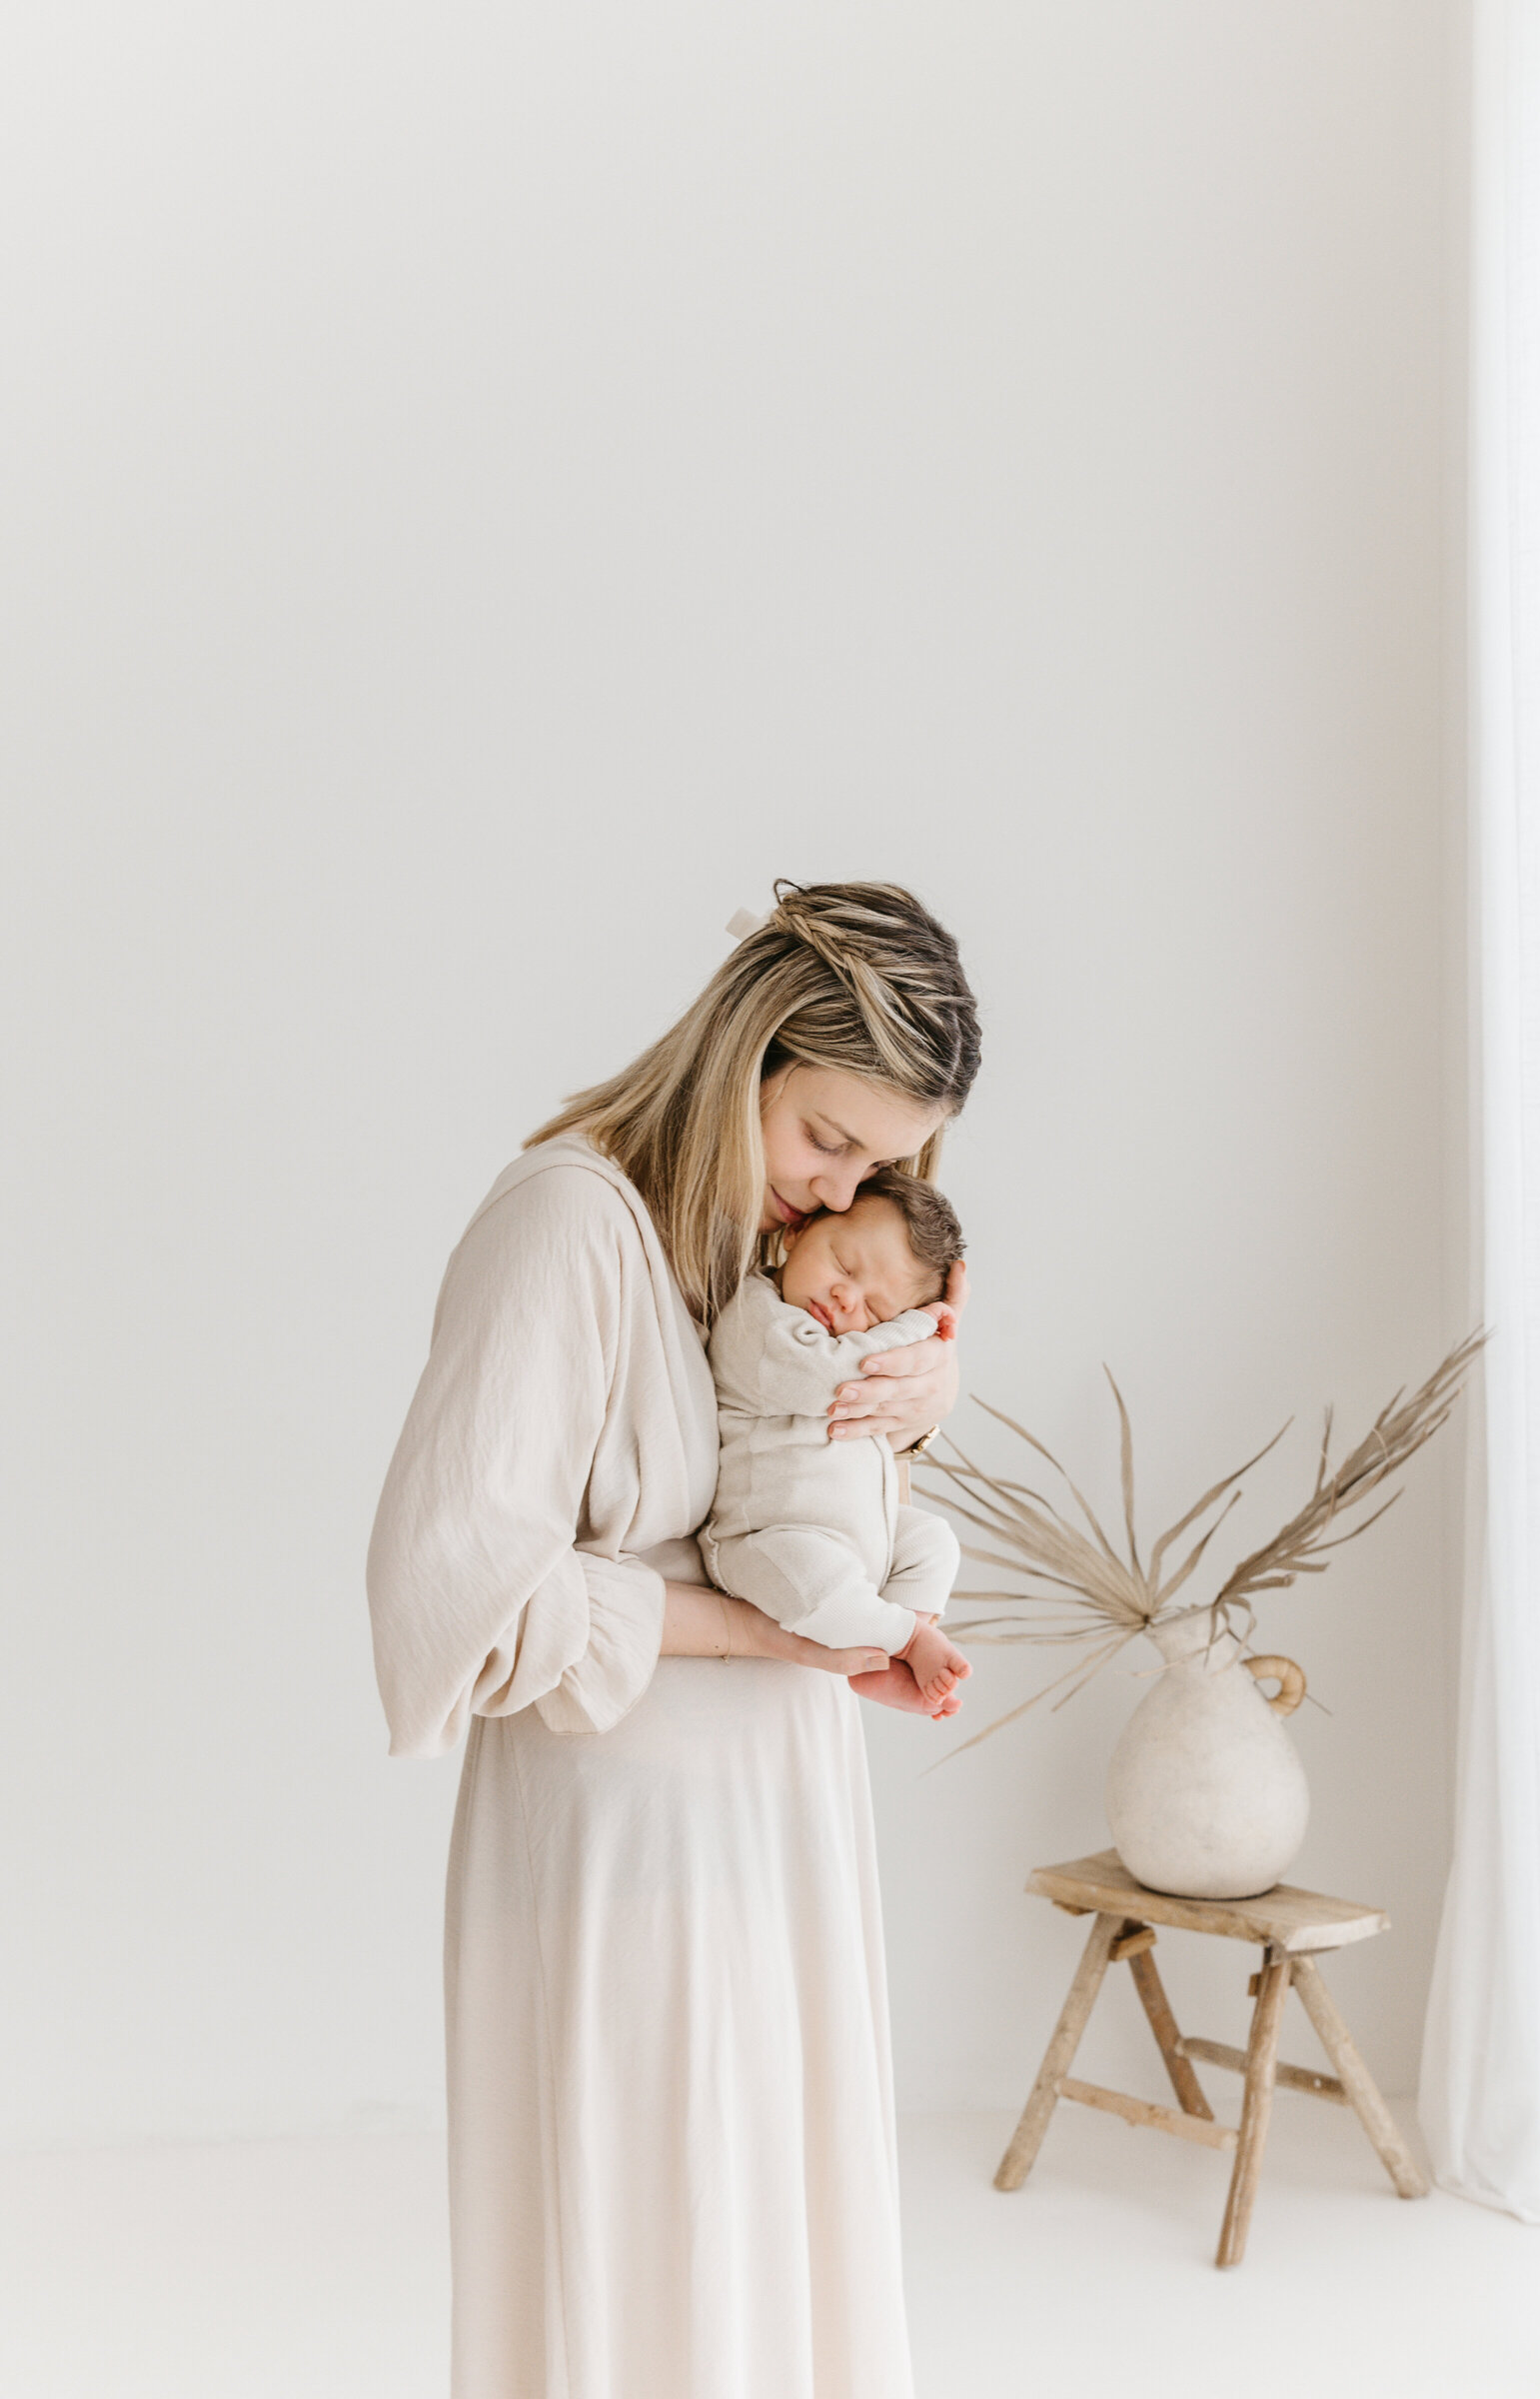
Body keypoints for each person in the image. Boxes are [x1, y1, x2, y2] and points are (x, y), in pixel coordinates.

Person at [366, 879, 980, 2399]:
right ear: (742, 1049)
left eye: (884, 1168)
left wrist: (920, 1376)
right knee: (638, 2270)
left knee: (772, 2260)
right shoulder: (567, 1225)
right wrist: (763, 1633)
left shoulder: (773, 1247)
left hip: (782, 1818)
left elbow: (792, 1471)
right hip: (612, 1837)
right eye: (828, 1139)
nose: (844, 1198)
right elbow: (451, 1587)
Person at [700, 1169, 972, 1705]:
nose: (847, 1298)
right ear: (798, 1233)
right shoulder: (756, 1317)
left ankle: (887, 1652)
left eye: (875, 1310)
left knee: (932, 1540)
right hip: (768, 1538)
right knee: (818, 1585)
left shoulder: (846, 1338)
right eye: (844, 1265)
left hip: (859, 1530)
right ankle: (906, 1637)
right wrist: (919, 1327)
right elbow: (837, 1377)